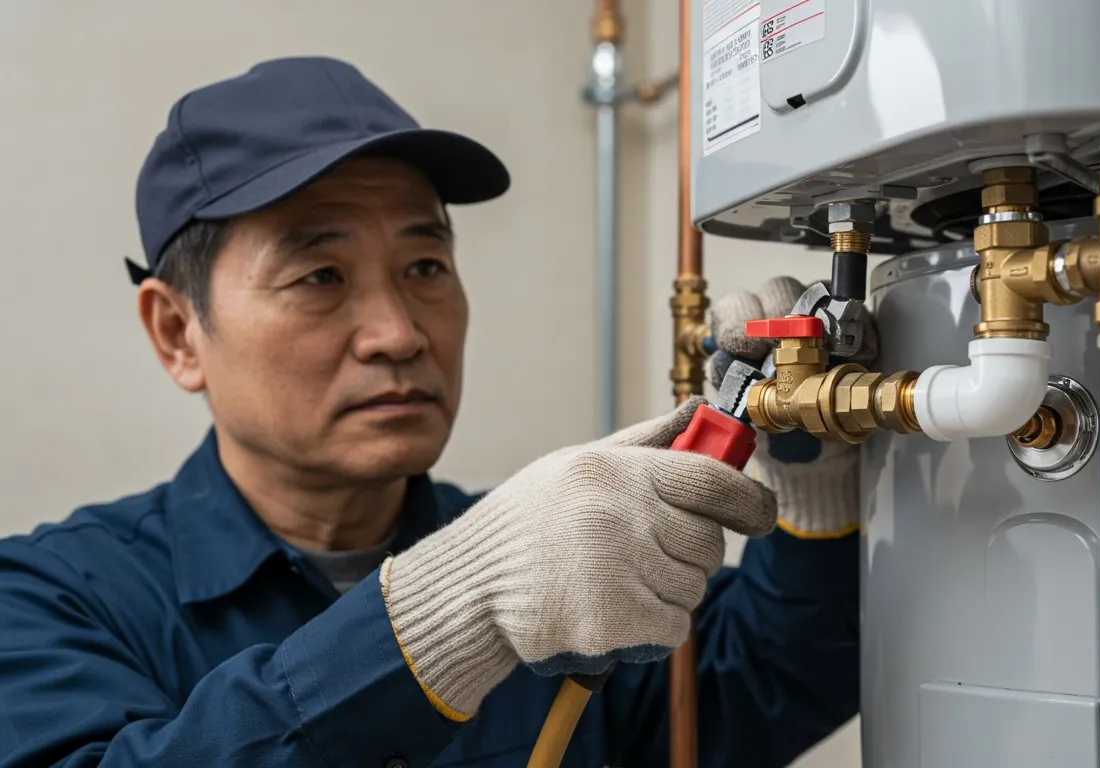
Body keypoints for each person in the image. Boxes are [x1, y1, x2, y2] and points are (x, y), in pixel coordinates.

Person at [0, 57, 868, 767]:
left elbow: (764, 685)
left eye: (425, 267)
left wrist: (817, 496)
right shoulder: (49, 601)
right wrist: (448, 612)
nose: (398, 333)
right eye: (320, 277)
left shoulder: (556, 570)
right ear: (178, 332)